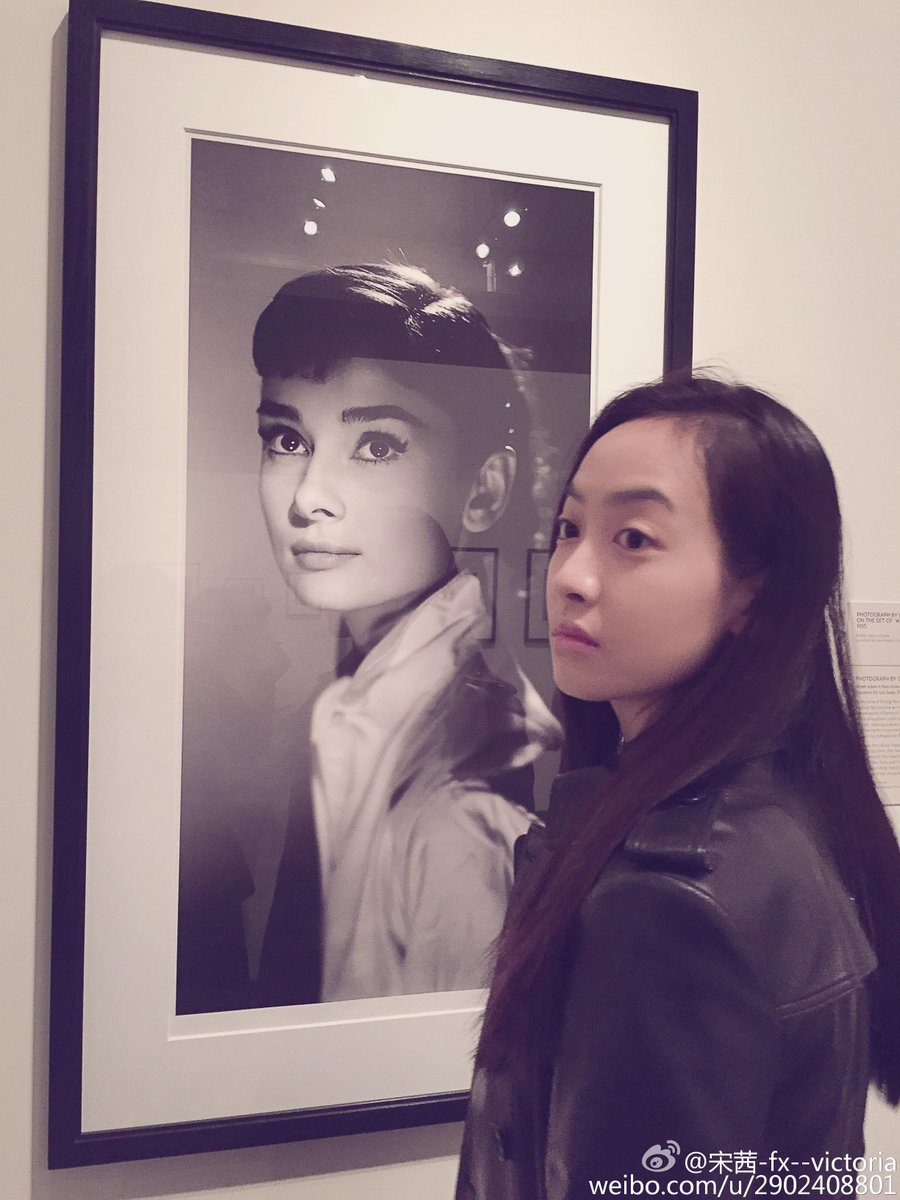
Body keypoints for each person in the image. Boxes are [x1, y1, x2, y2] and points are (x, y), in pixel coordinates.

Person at [456, 374, 900, 1199]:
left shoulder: (668, 897)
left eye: (633, 538)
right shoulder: (788, 805)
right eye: (570, 528)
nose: (571, 575)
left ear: (752, 595)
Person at [251, 263, 559, 1005]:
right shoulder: (350, 707)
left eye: (377, 447)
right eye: (286, 439)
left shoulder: (466, 793)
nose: (309, 497)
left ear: (482, 489)